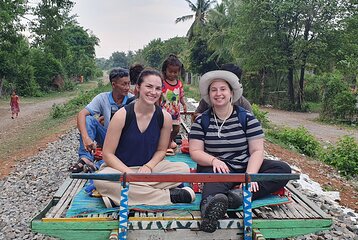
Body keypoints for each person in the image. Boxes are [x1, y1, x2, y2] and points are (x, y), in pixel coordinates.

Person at [189, 70, 291, 233]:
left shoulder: (247, 118)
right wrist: (214, 161)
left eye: (223, 89)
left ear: (231, 93)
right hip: (218, 167)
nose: (218, 93)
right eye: (213, 90)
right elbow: (195, 151)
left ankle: (235, 197)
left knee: (282, 170)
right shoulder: (202, 120)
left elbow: (257, 150)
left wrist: (251, 175)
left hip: (244, 164)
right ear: (208, 95)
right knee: (213, 188)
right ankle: (210, 213)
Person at [94, 69, 195, 207]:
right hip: (121, 169)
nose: (153, 92)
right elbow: (107, 154)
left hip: (150, 170)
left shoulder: (164, 117)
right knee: (101, 180)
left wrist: (149, 166)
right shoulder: (121, 116)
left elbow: (161, 150)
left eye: (158, 88)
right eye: (149, 86)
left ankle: (124, 195)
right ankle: (171, 196)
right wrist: (129, 174)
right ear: (138, 88)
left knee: (183, 169)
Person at [69, 68, 135, 173]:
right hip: (107, 138)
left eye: (129, 84)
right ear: (113, 85)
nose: (127, 88)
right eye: (123, 84)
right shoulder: (102, 98)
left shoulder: (133, 100)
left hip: (125, 142)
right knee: (88, 119)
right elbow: (81, 114)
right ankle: (86, 158)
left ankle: (97, 165)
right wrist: (86, 138)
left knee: (128, 152)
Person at [160, 54, 187, 154]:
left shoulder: (179, 83)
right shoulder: (163, 83)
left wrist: (184, 104)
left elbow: (181, 96)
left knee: (176, 129)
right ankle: (165, 146)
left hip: (175, 112)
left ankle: (170, 141)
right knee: (165, 129)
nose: (172, 74)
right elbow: (159, 95)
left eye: (175, 72)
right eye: (170, 71)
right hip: (164, 111)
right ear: (165, 71)